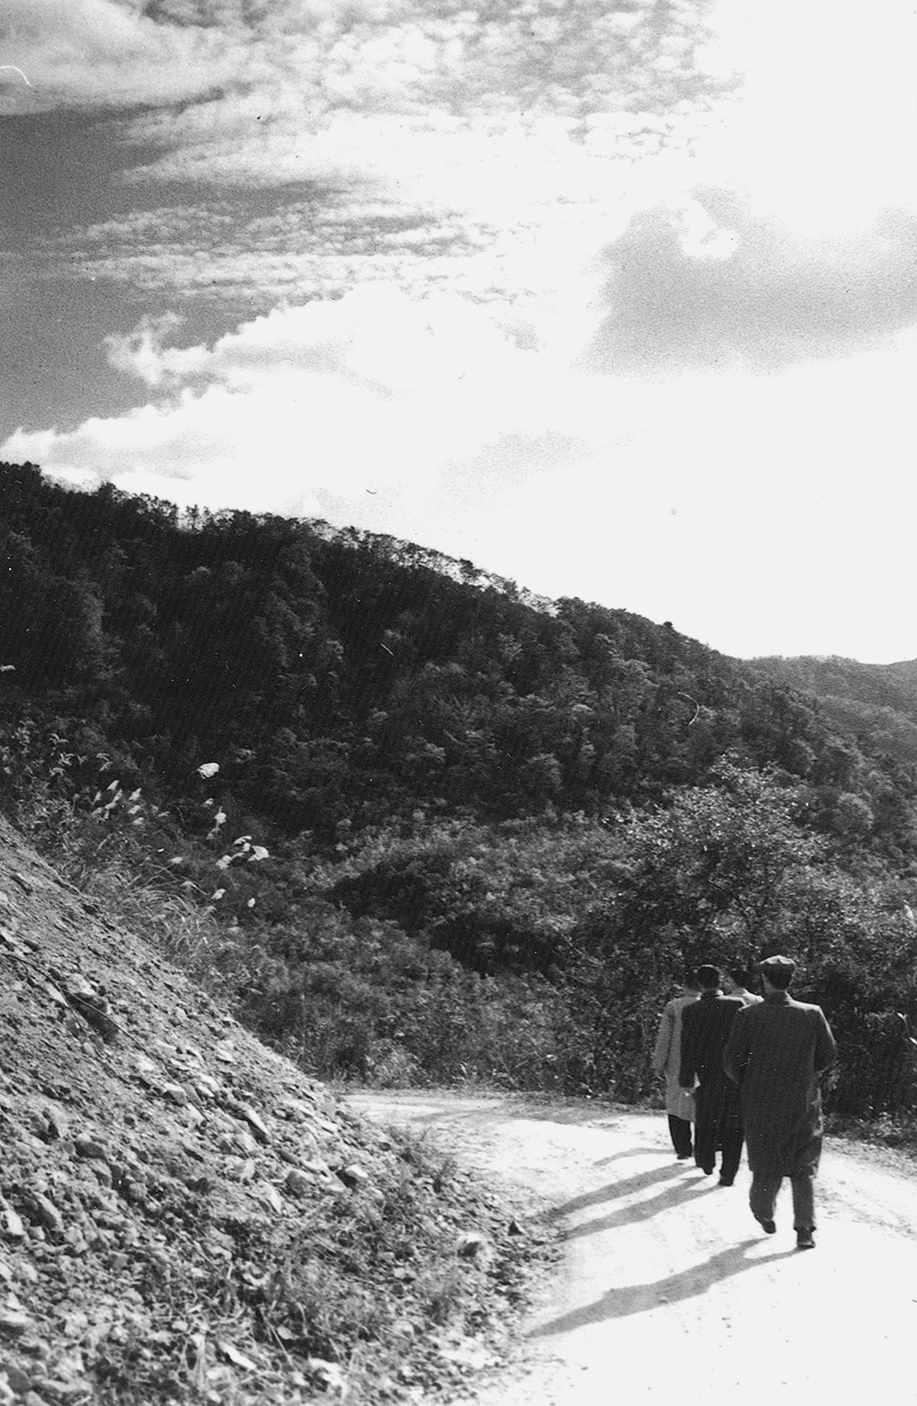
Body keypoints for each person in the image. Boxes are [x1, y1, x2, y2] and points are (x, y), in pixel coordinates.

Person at [723, 955, 837, 1250]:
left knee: (766, 1163)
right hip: (803, 1101)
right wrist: (808, 1078)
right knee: (803, 1167)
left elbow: (733, 1063)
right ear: (790, 979)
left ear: (764, 980)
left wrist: (749, 1083)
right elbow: (827, 1055)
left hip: (761, 1102)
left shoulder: (748, 1016)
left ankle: (763, 1213)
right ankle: (804, 1229)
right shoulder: (812, 1014)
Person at [679, 965, 745, 1185]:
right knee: (734, 1124)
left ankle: (707, 1161)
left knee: (707, 1118)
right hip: (734, 1075)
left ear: (700, 984)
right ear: (721, 981)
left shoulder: (690, 1012)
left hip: (706, 1075)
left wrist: (686, 1079)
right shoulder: (737, 1006)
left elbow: (687, 1049)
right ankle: (729, 1172)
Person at [652, 976, 700, 1160]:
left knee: (675, 1102)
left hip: (676, 1061)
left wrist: (658, 1063)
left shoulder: (674, 1006)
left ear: (684, 986)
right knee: (698, 1103)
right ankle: (702, 1146)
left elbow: (664, 1038)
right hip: (703, 1062)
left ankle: (683, 1147)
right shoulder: (711, 1004)